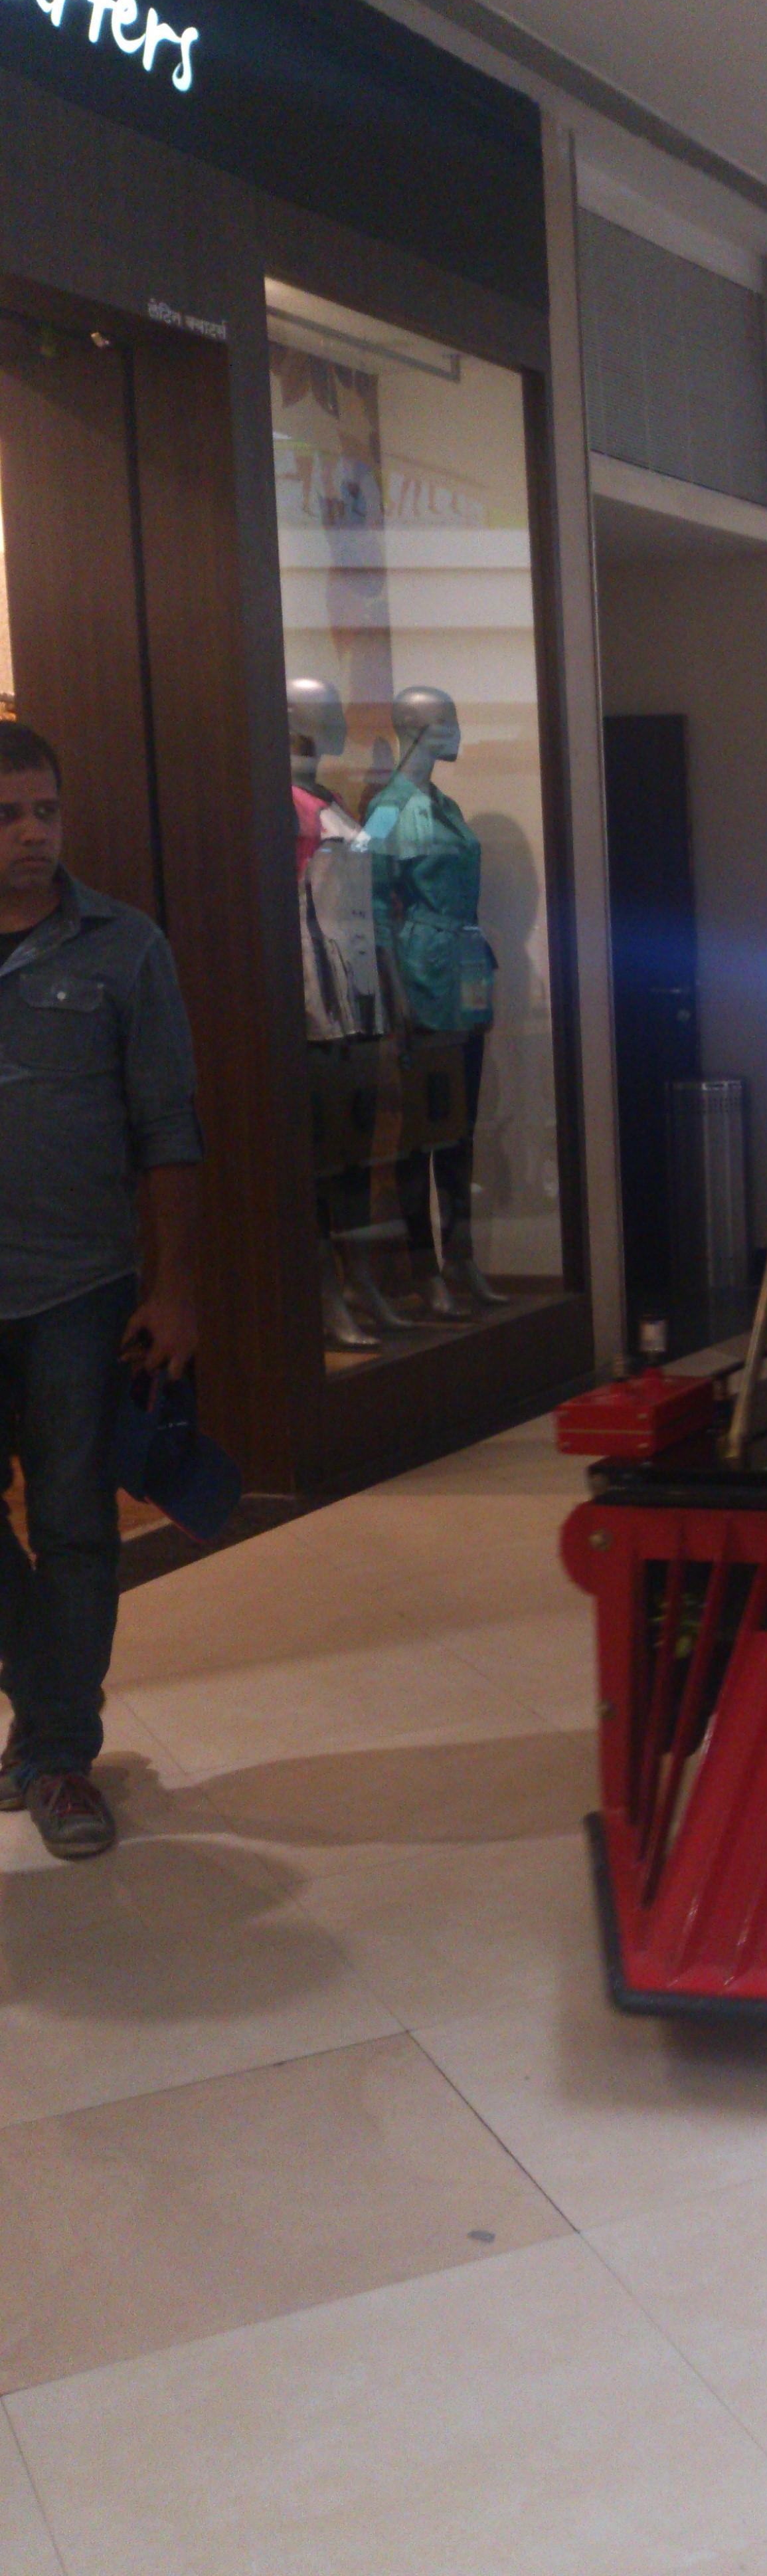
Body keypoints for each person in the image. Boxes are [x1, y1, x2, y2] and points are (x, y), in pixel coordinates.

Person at [0, 724, 201, 1860]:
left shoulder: (125, 948)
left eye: (46, 811)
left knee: (76, 1524)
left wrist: (175, 1288)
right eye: (6, 815)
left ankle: (59, 1757)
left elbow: (169, 1129)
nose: (32, 833)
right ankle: (47, 1710)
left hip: (80, 1289)